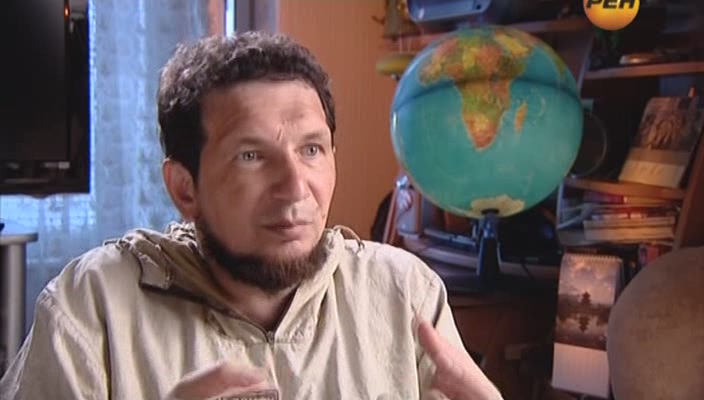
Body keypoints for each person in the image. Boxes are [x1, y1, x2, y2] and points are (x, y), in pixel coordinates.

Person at [0, 31, 502, 400]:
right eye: (251, 156)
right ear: (184, 188)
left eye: (311, 150)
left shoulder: (404, 293)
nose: (296, 188)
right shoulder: (92, 307)